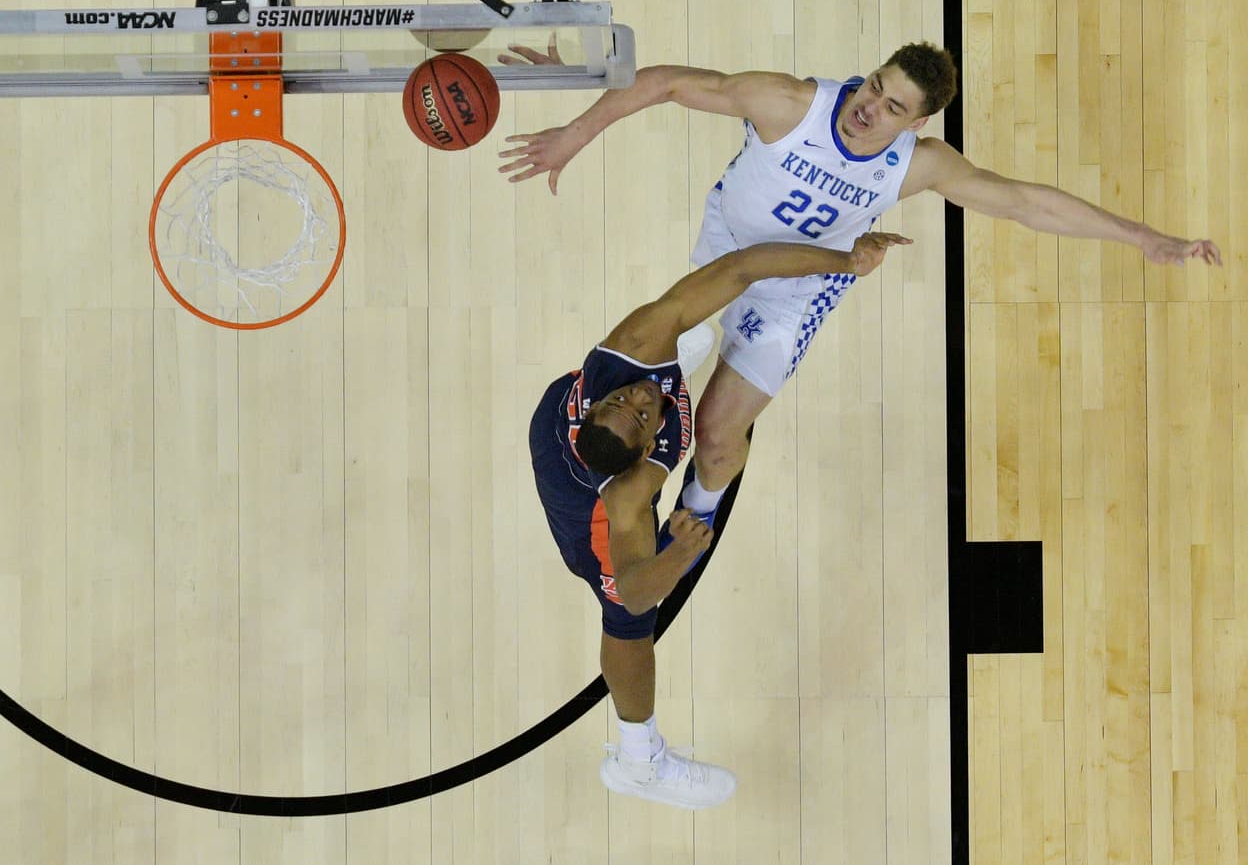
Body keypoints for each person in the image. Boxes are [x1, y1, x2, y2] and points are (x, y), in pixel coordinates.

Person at [503, 40, 1223, 530]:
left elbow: (1026, 202)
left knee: (720, 438)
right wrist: (575, 130)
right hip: (723, 254)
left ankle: (697, 521)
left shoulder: (919, 165)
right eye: (876, 85)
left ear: (918, 124)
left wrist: (1140, 237)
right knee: (646, 373)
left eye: (892, 107)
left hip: (797, 288)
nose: (869, 106)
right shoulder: (792, 104)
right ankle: (605, 486)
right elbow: (666, 83)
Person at [530, 231, 910, 809]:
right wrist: (677, 553)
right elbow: (635, 595)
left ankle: (698, 494)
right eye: (638, 413)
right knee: (627, 620)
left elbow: (740, 268)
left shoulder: (631, 348)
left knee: (687, 347)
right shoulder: (626, 498)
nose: (635, 397)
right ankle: (639, 760)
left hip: (567, 412)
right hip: (577, 491)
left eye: (624, 402)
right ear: (647, 452)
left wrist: (847, 262)